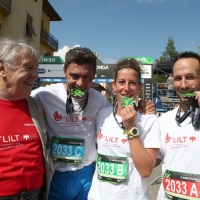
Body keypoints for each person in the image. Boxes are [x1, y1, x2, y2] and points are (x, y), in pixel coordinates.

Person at [31, 47, 156, 200]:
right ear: (64, 72)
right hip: (56, 174)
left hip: (87, 176)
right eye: (74, 76)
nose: (80, 83)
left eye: (87, 77)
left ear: (94, 76)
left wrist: (142, 106)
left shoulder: (100, 101)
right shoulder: (43, 95)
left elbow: (119, 113)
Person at [88, 58, 160, 200]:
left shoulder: (149, 120)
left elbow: (146, 171)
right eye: (121, 82)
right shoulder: (102, 114)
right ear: (114, 86)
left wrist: (131, 127)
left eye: (132, 83)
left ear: (139, 87)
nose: (126, 88)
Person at [0, 37, 54, 199]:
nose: (35, 76)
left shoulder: (35, 105)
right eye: (28, 68)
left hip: (34, 194)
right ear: (3, 68)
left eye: (36, 70)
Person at [157, 51, 200, 200]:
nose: (183, 85)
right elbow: (149, 163)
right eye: (177, 78)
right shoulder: (164, 120)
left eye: (190, 77)